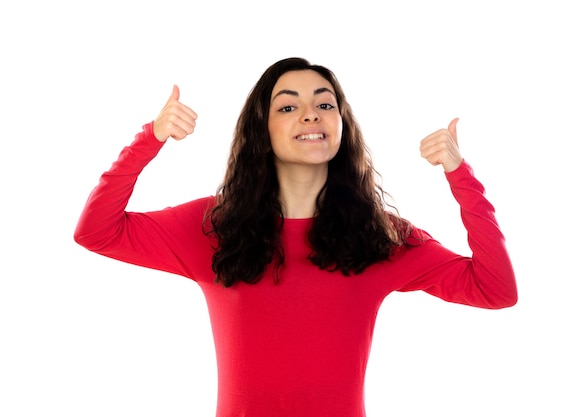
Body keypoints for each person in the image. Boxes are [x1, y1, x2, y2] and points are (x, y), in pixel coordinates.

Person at [74, 57, 517, 416]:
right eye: (288, 106)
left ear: (341, 124)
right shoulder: (213, 227)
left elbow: (495, 289)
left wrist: (460, 175)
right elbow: (96, 230)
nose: (311, 113)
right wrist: (149, 139)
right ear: (261, 132)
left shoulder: (379, 236)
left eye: (325, 104)